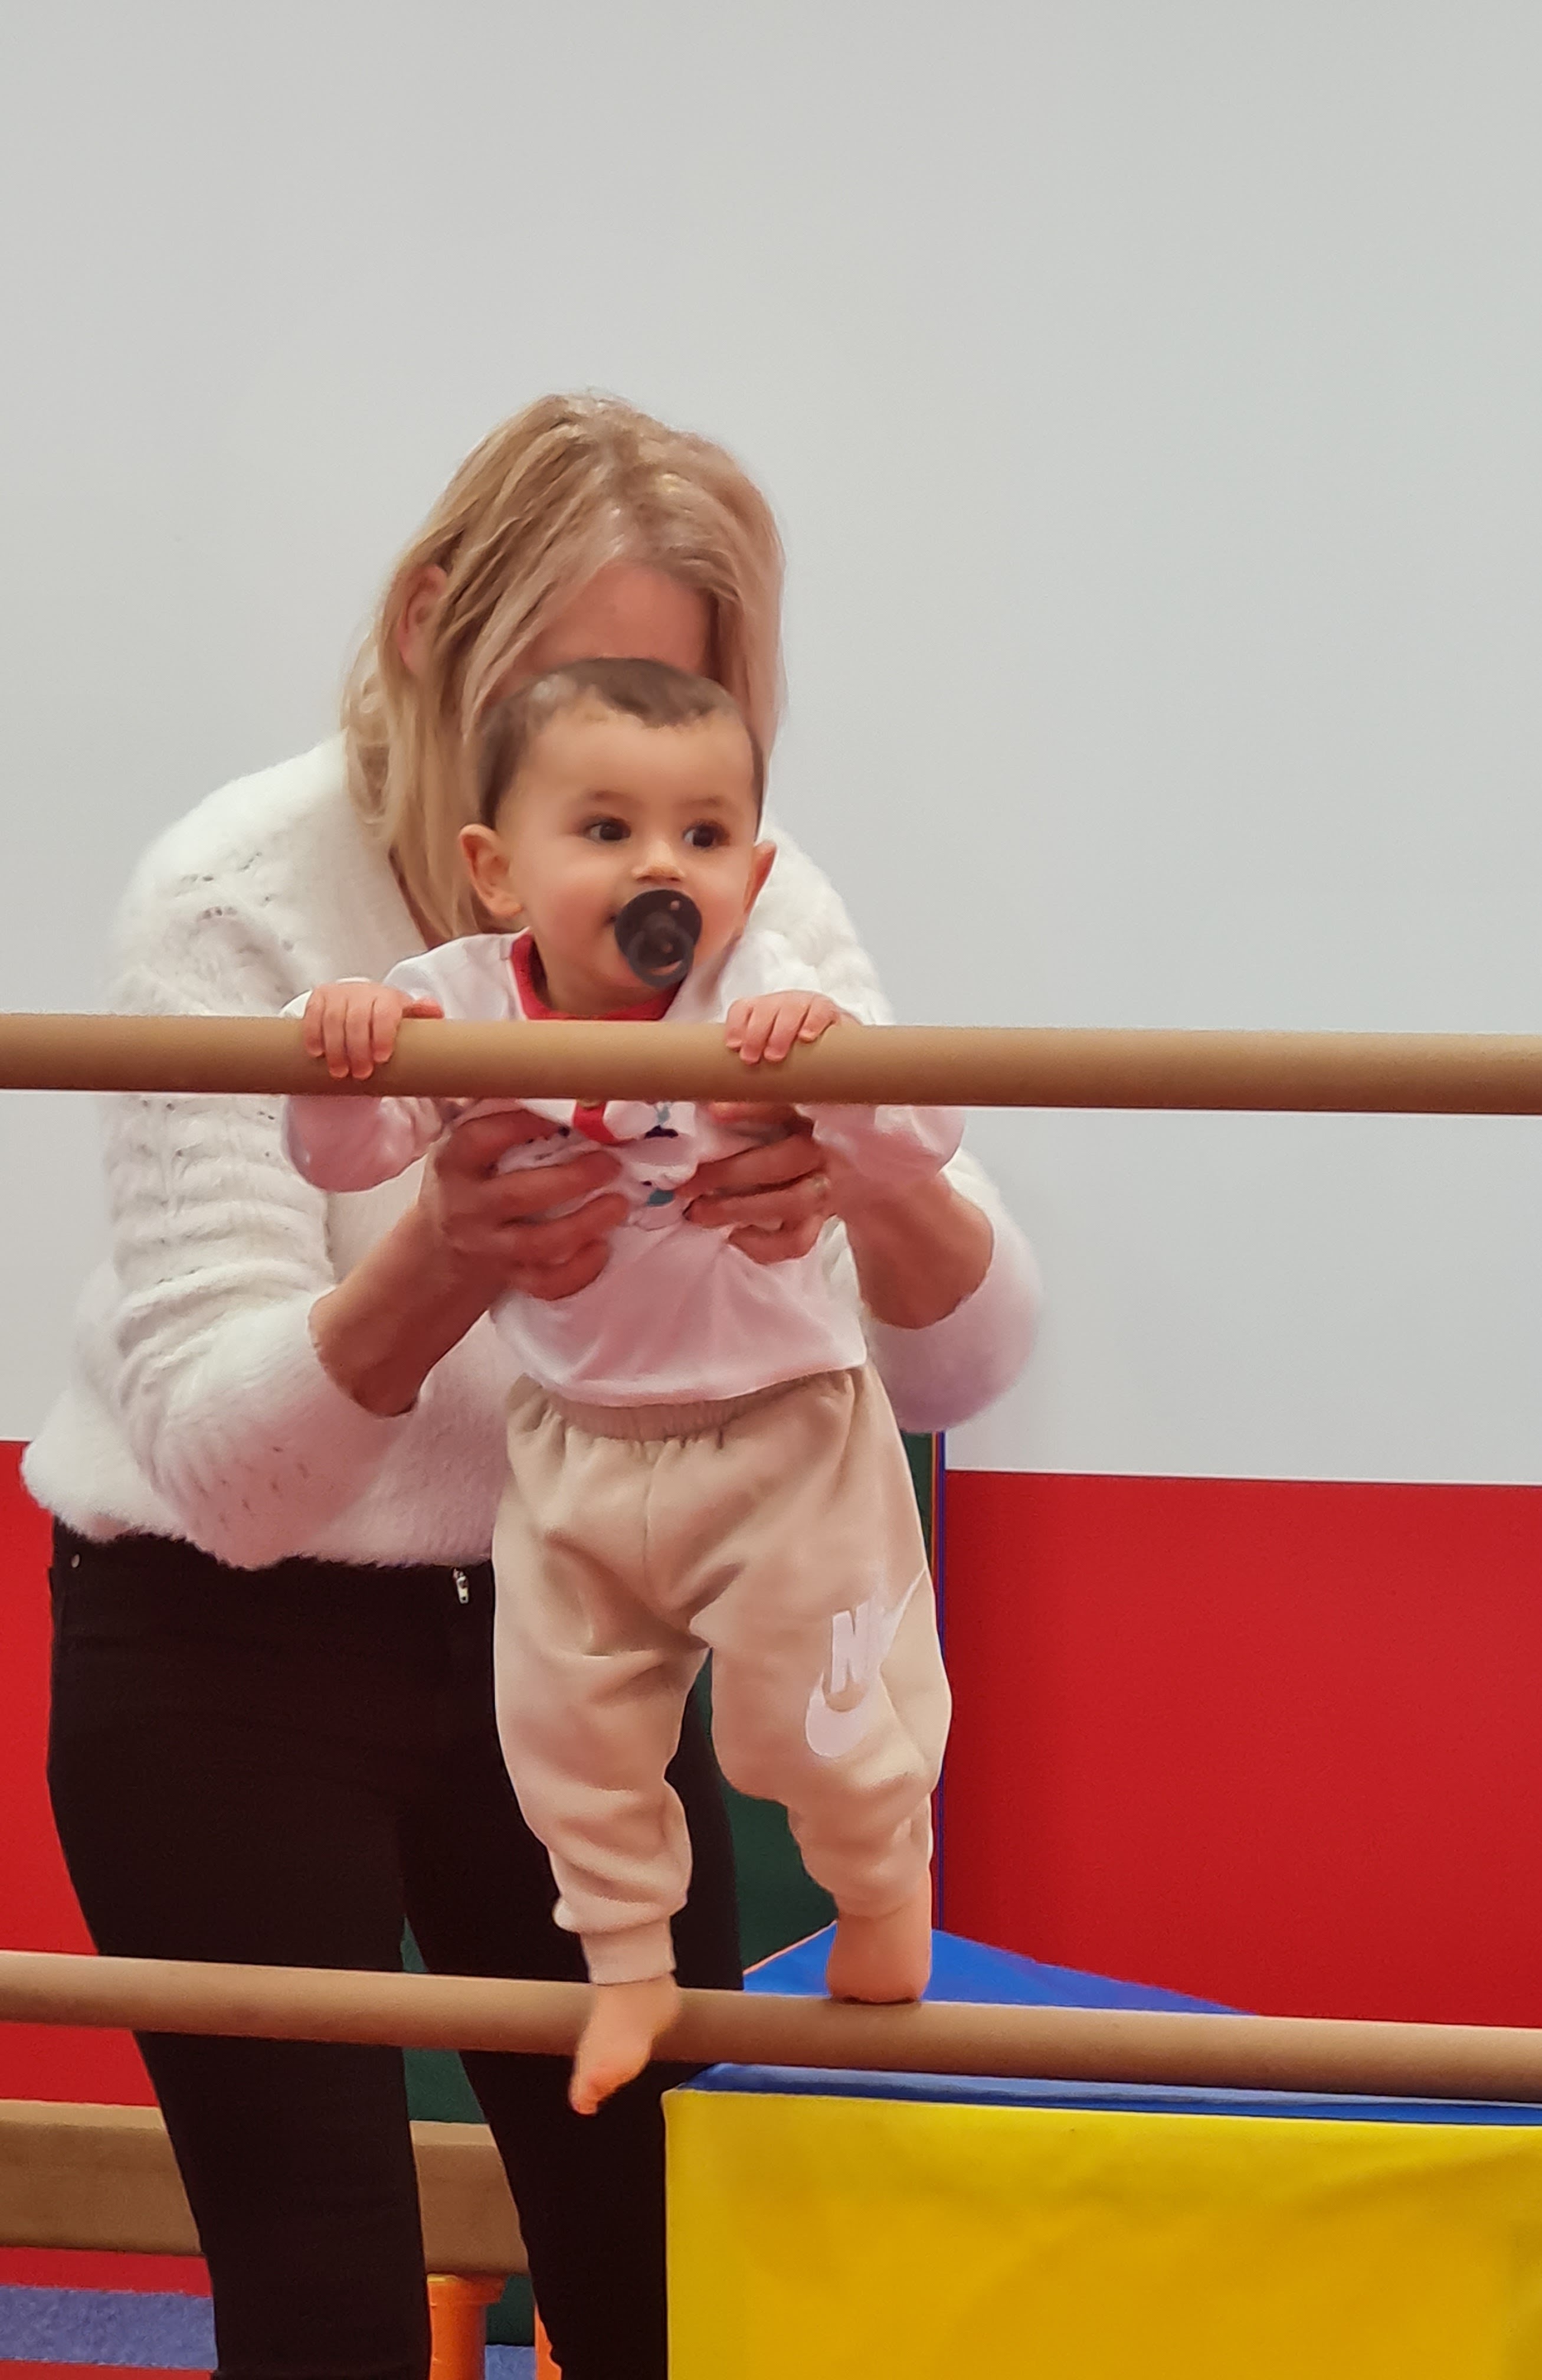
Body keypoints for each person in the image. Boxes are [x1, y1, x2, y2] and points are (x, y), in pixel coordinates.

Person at [23, 391, 1039, 2380]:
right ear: (430, 630)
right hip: (226, 1643)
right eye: (570, 709)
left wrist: (867, 1177)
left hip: (577, 1591)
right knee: (325, 2301)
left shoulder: (741, 899)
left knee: (664, 2270)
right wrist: (439, 1257)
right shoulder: (240, 897)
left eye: (683, 718)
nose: (646, 834)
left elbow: (968, 1356)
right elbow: (232, 1486)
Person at [288, 656, 960, 2115]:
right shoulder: (455, 1002)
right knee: (564, 1736)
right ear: (498, 870)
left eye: (704, 835)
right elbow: (342, 1159)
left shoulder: (759, 995)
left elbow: (922, 1141)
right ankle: (628, 1969)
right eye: (606, 830)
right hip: (575, 1442)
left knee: (802, 1728)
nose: (662, 866)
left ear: (752, 876)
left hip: (781, 1434)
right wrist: (344, 1057)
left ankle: (879, 1884)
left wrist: (838, 1069)